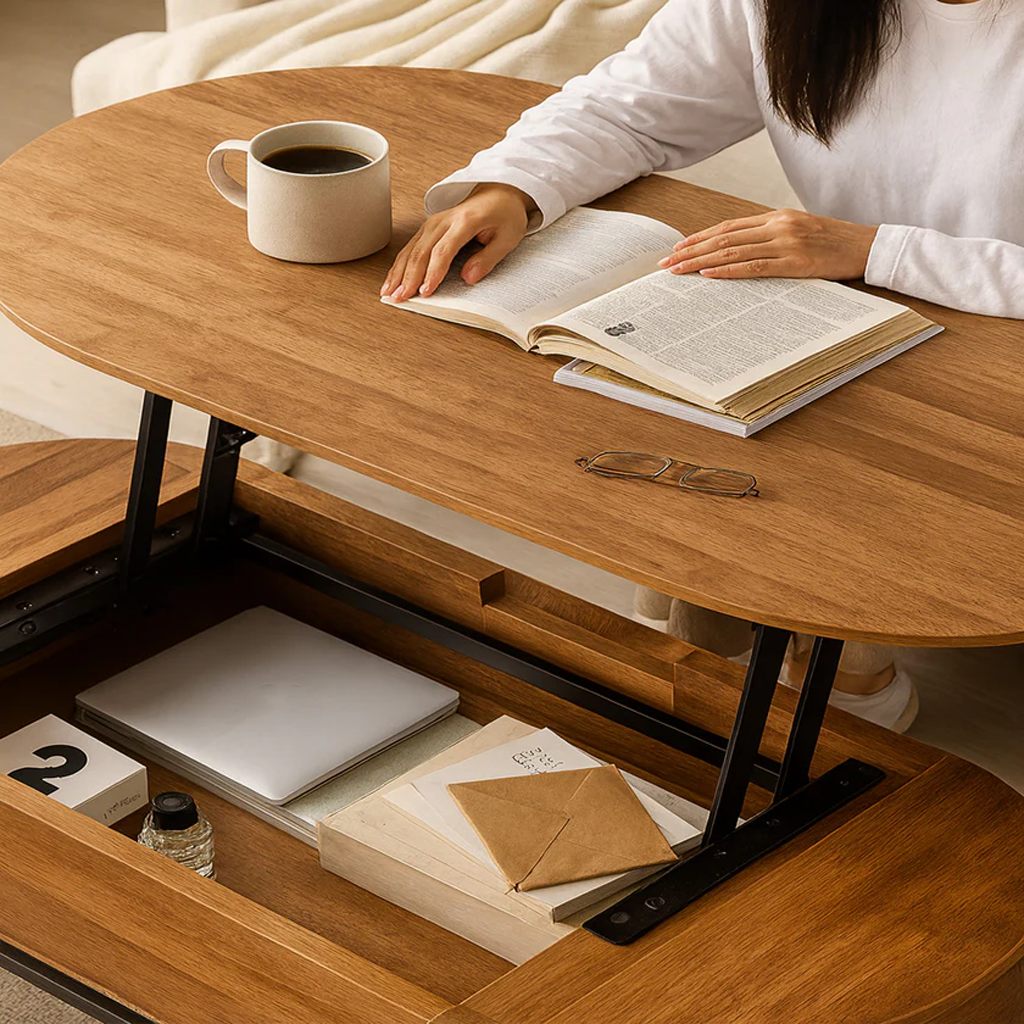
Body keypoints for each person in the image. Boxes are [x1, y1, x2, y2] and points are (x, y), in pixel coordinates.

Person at [382, 0, 1023, 732]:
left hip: (981, 345)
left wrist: (879, 250)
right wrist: (516, 186)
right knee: (662, 395)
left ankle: (839, 665)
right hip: (863, 306)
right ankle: (703, 661)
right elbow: (632, 106)